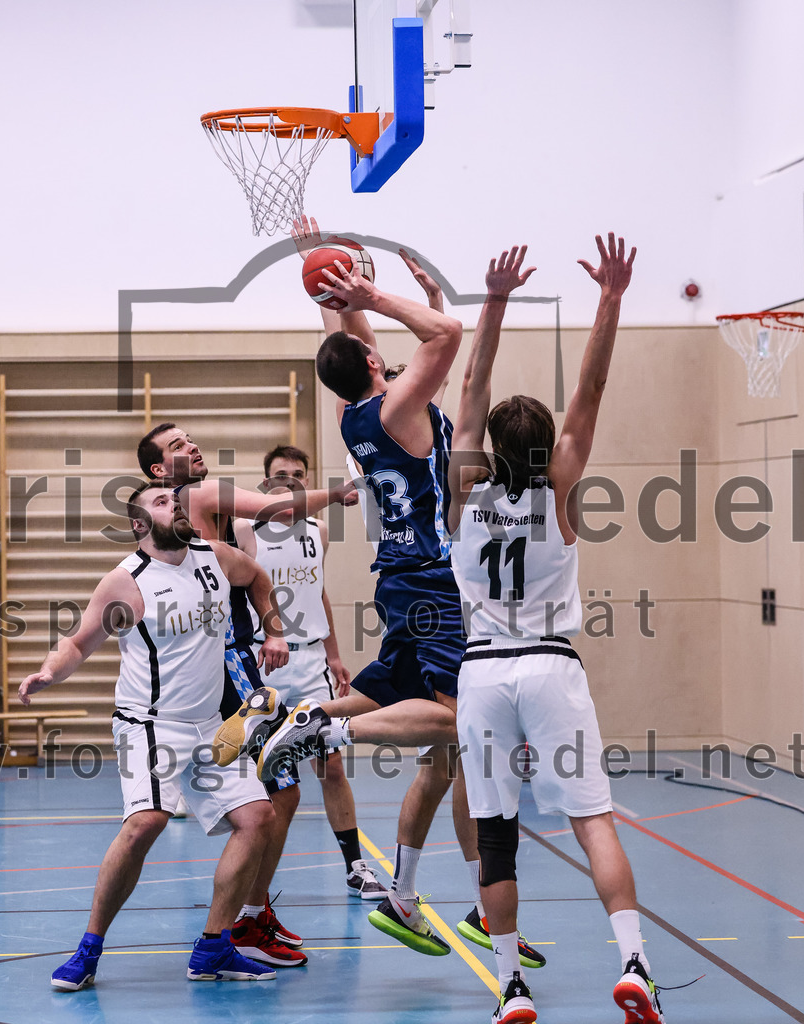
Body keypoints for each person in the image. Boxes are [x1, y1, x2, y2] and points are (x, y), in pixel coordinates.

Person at [221, 219, 545, 971]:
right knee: (462, 726)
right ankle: (327, 733)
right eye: (376, 347)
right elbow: (446, 336)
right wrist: (373, 291)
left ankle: (309, 719)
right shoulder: (398, 409)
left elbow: (361, 344)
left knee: (442, 750)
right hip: (434, 575)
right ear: (375, 363)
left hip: (401, 578)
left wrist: (324, 280)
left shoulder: (351, 415)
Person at [447, 236, 662, 1024]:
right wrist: (609, 299)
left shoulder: (462, 490)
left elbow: (472, 381)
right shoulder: (560, 488)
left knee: (497, 834)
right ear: (545, 449)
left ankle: (510, 985)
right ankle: (634, 961)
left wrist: (495, 300)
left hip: (482, 674)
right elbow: (594, 387)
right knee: (591, 819)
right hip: (551, 667)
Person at [18, 481, 298, 989]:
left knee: (258, 817)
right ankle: (89, 949)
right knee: (146, 823)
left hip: (210, 722)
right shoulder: (126, 582)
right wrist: (47, 673)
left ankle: (214, 948)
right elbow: (79, 642)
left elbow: (258, 577)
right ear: (141, 525)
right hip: (149, 723)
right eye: (164, 502)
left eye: (177, 498)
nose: (178, 505)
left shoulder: (212, 556)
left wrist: (274, 630)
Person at [136, 423, 358, 957]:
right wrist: (345, 491)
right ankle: (242, 924)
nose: (190, 445)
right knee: (273, 793)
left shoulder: (195, 511)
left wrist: (276, 627)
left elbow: (257, 573)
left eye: (190, 438)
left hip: (228, 662)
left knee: (274, 793)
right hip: (229, 664)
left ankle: (251, 916)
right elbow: (279, 508)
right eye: (175, 447)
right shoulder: (199, 496)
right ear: (158, 472)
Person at [233, 444, 384, 899]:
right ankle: (253, 879)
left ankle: (355, 865)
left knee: (331, 764)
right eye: (281, 475)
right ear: (265, 483)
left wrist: (334, 653)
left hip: (311, 660)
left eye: (298, 474)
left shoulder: (318, 530)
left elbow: (318, 591)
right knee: (268, 777)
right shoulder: (244, 530)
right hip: (265, 661)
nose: (290, 481)